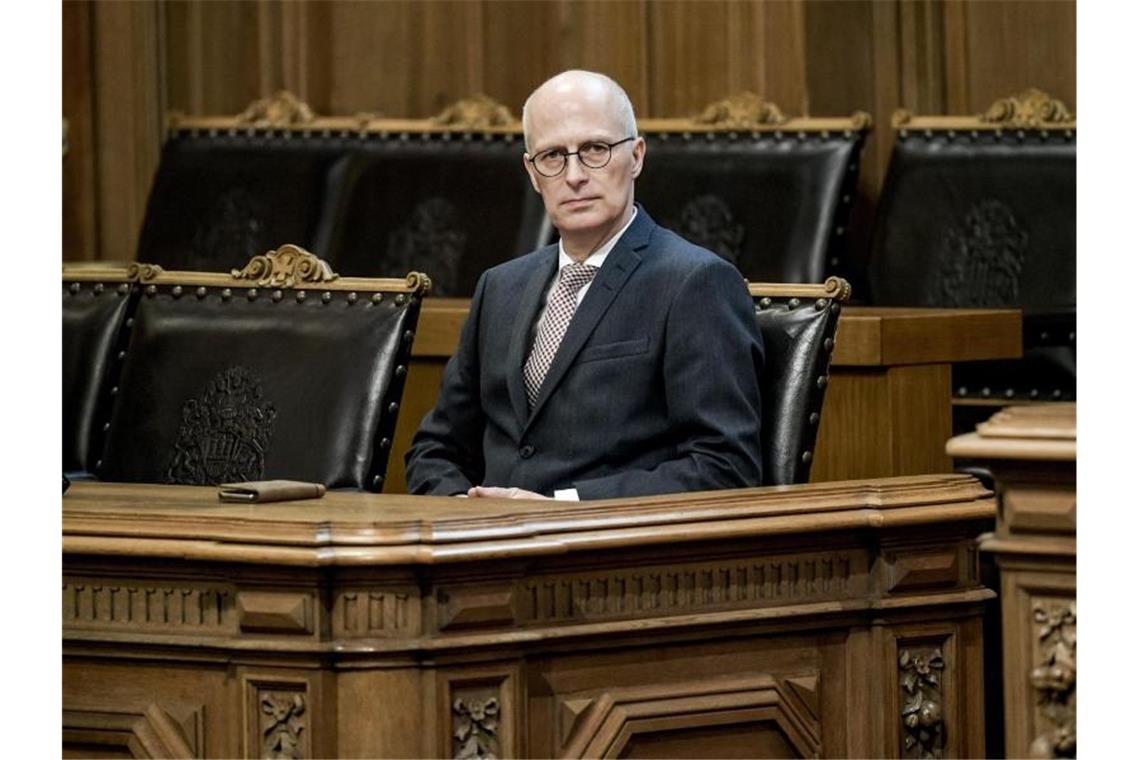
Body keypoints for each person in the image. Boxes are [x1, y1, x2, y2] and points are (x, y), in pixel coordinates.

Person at [405, 70, 764, 500]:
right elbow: (435, 450)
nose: (574, 175)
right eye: (553, 156)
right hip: (482, 552)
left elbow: (725, 466)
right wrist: (464, 511)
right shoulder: (500, 287)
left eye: (595, 149)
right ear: (533, 173)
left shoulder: (695, 283)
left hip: (605, 554)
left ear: (636, 156)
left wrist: (564, 508)